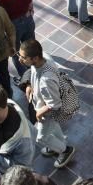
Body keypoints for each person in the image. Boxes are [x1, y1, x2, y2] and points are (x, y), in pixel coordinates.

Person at [19, 39, 76, 168]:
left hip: (47, 113)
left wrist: (40, 112)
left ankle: (65, 150)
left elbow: (55, 104)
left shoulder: (46, 80)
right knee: (53, 127)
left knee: (40, 137)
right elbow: (31, 72)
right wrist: (29, 84)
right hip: (44, 109)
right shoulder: (43, 58)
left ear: (35, 58)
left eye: (23, 58)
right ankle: (57, 145)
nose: (20, 60)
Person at [0, 0, 35, 77]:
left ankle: (24, 78)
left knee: (16, 52)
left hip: (14, 26)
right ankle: (34, 69)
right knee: (30, 47)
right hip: (28, 21)